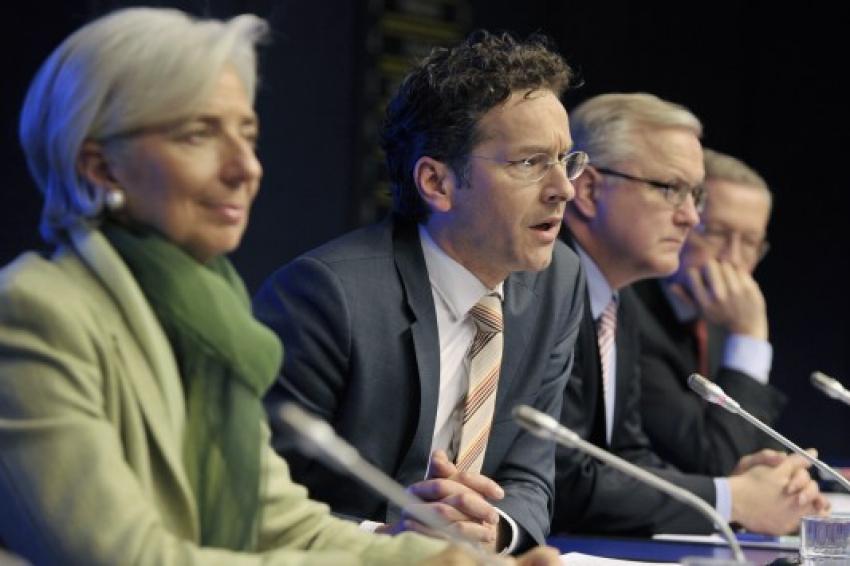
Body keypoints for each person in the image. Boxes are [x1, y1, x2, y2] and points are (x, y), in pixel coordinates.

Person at [0, 7, 456, 565]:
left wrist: (452, 561)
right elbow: (125, 558)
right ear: (100, 167)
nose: (246, 168)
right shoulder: (34, 313)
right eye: (198, 135)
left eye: (248, 134)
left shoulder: (210, 319)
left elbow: (282, 526)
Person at [254, 31, 586, 554]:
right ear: (436, 183)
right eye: (529, 162)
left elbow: (530, 475)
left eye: (566, 160)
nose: (563, 188)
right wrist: (391, 542)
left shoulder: (558, 282)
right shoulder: (325, 297)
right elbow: (250, 502)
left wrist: (494, 529)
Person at [553, 92, 828, 537]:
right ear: (587, 190)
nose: (689, 218)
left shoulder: (616, 301)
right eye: (669, 189)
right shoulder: (545, 292)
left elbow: (627, 459)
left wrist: (732, 487)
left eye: (694, 196)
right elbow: (563, 480)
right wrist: (732, 497)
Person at [634, 148, 785, 476]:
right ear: (682, 221)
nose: (732, 258)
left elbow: (753, 443)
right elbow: (715, 463)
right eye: (716, 233)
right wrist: (750, 336)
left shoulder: (719, 322)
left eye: (749, 242)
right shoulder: (630, 315)